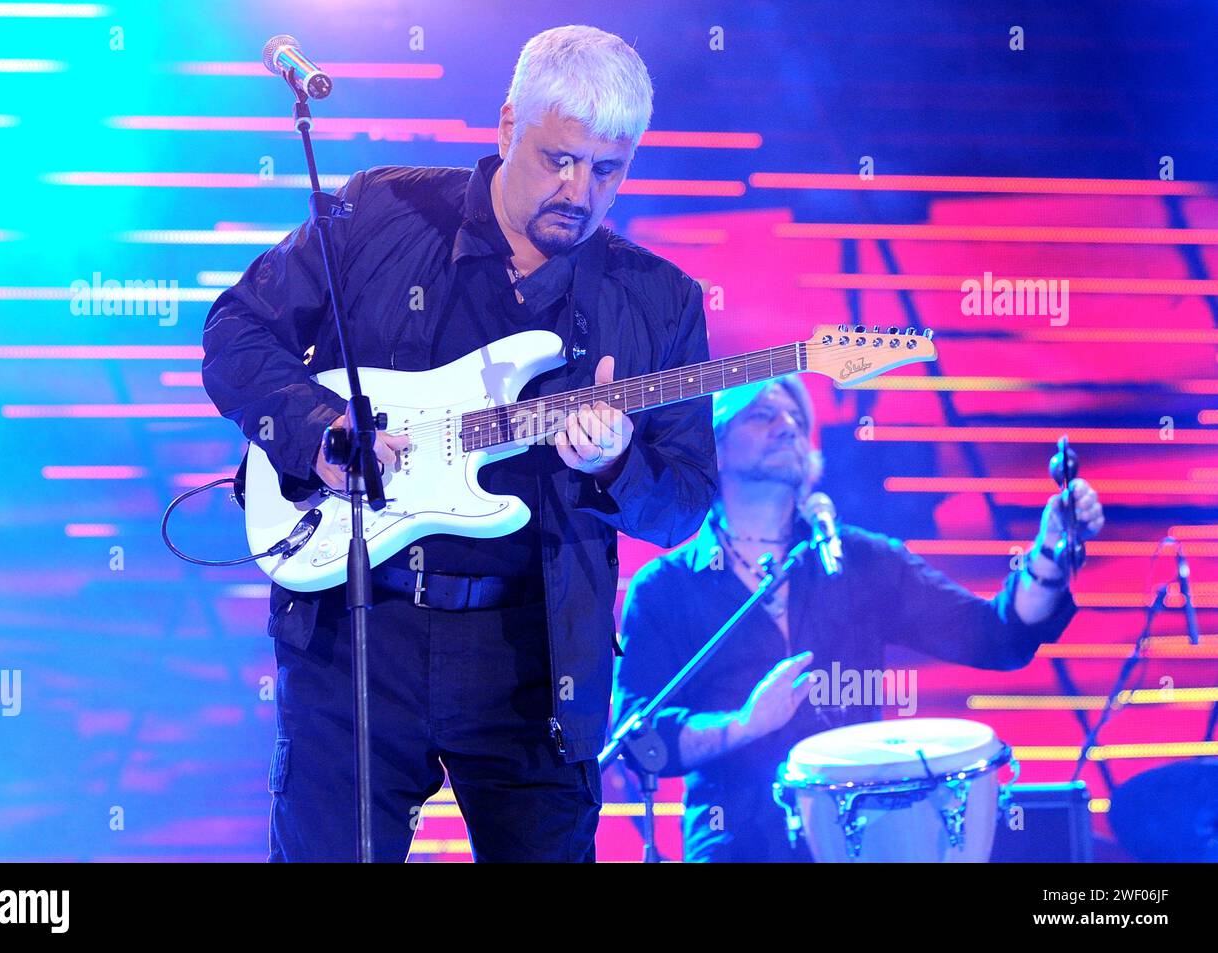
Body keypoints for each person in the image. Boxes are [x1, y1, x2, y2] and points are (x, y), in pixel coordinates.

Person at [201, 25, 717, 862]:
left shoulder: (658, 299)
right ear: (508, 124)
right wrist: (316, 432)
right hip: (357, 634)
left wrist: (617, 463)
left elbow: (687, 501)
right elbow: (235, 332)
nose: (580, 191)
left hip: (537, 660)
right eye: (558, 157)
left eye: (607, 169)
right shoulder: (380, 211)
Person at [612, 376, 1105, 862]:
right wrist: (743, 725)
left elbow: (996, 638)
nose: (786, 426)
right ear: (714, 446)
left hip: (866, 840)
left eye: (796, 420)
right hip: (737, 843)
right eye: (762, 415)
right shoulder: (664, 588)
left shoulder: (863, 561)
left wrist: (1048, 554)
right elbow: (641, 743)